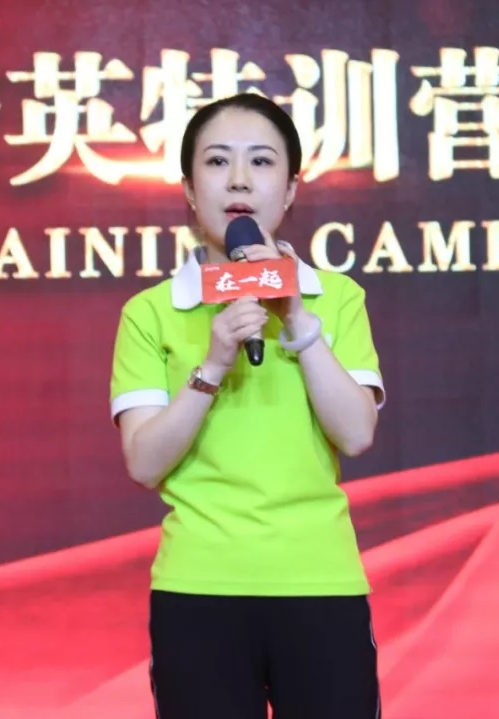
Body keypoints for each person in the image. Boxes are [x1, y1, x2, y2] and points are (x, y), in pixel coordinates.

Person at [108, 93, 385, 719]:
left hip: (319, 580)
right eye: (216, 162)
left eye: (261, 161)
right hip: (199, 586)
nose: (238, 180)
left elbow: (356, 433)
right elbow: (144, 462)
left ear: (290, 189)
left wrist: (299, 322)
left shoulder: (335, 298)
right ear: (188, 188)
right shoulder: (150, 312)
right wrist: (211, 367)